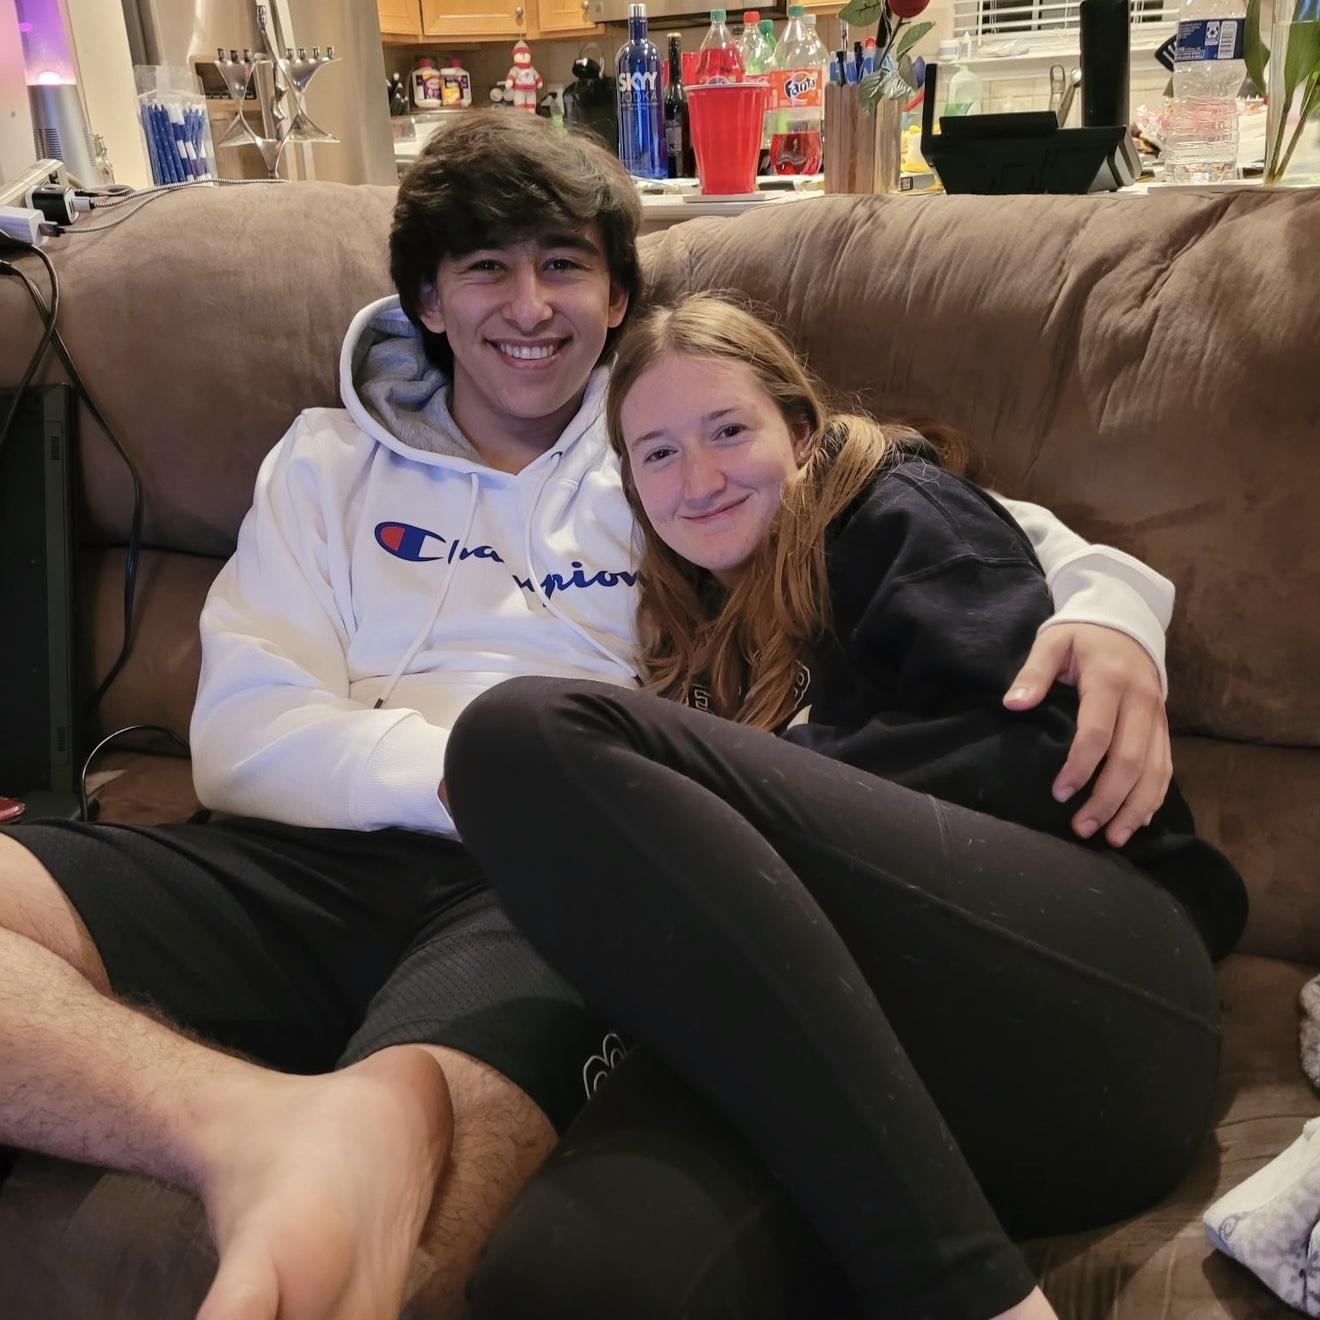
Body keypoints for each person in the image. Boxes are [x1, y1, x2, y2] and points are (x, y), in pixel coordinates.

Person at [0, 117, 1181, 1320]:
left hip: (550, 889)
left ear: (616, 294)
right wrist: (464, 782)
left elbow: (911, 500)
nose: (530, 306)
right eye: (485, 269)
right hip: (308, 851)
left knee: (460, 1218)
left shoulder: (663, 438)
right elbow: (242, 735)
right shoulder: (320, 464)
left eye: (564, 265)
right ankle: (252, 1131)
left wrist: (1119, 600)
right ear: (428, 299)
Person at [443, 293, 1249, 1320]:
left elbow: (1036, 756)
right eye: (655, 455)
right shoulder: (690, 622)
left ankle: (970, 1296)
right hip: (903, 1092)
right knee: (560, 1280)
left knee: (521, 738)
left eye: (728, 431)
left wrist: (732, 784)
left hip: (1094, 1001)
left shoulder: (892, 511)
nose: (697, 480)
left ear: (802, 428)